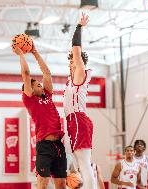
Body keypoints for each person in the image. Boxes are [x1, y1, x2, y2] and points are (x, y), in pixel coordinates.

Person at [14, 44, 66, 189]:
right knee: (42, 184)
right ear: (30, 89)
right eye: (38, 85)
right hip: (44, 146)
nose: (41, 86)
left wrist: (35, 52)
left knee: (61, 185)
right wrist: (21, 55)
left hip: (58, 145)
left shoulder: (48, 95)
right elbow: (26, 73)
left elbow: (47, 73)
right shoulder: (30, 99)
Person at [63, 13, 96, 189]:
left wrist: (79, 27)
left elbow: (76, 50)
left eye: (72, 60)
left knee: (84, 163)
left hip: (78, 120)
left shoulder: (80, 72)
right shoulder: (70, 79)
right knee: (77, 164)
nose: (70, 62)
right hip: (73, 121)